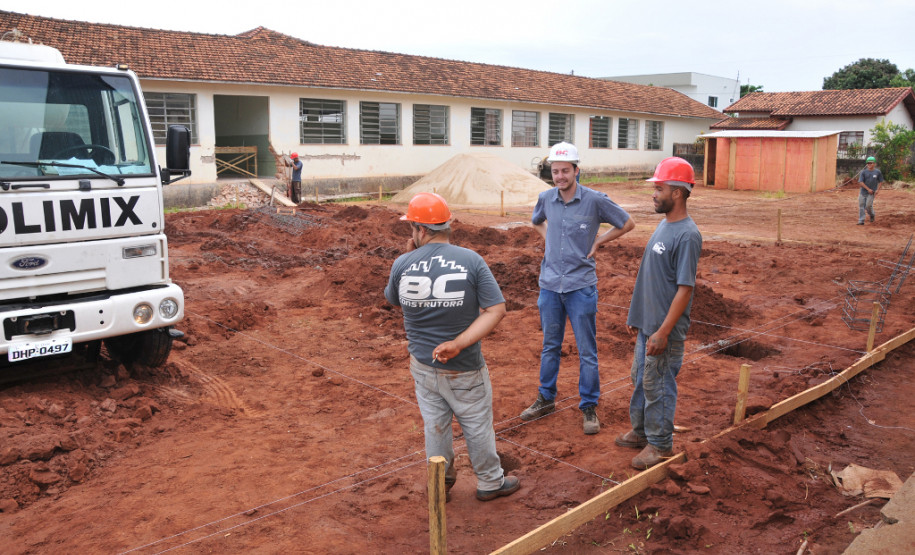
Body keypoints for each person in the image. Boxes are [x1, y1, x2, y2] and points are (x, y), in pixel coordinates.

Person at [384, 192, 521, 502]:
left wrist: (410, 258)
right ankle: (489, 481)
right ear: (447, 225)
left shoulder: (402, 264)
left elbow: (394, 300)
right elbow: (496, 309)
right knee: (476, 424)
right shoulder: (471, 260)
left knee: (435, 426)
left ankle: (440, 483)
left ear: (418, 229)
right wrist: (458, 343)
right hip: (465, 366)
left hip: (422, 364)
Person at [520, 142, 635, 435]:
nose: (559, 176)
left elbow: (627, 223)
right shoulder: (546, 198)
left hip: (580, 286)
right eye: (555, 171)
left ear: (576, 170)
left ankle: (588, 406)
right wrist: (548, 240)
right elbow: (536, 222)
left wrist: (599, 242)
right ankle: (545, 399)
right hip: (549, 287)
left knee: (587, 350)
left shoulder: (594, 201)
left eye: (565, 171)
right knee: (550, 346)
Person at [616, 157, 702, 470]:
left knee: (659, 384)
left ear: (677, 192)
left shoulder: (687, 235)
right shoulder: (665, 224)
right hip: (647, 324)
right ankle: (641, 432)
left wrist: (663, 331)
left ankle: (660, 444)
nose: (654, 193)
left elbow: (684, 289)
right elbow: (651, 278)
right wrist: (636, 317)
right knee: (641, 379)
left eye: (660, 187)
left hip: (663, 330)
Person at [857, 156, 884, 225]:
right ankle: (861, 220)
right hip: (863, 192)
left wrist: (878, 190)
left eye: (871, 163)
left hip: (872, 193)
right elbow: (861, 182)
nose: (869, 164)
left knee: (868, 206)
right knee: (861, 206)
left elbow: (881, 181)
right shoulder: (863, 172)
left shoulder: (877, 172)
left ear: (874, 164)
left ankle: (872, 215)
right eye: (868, 163)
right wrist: (868, 189)